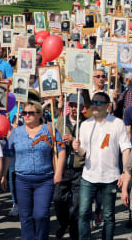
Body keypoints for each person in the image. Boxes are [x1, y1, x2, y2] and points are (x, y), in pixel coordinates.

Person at [1, 101, 66, 240]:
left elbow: (61, 150)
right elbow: (8, 153)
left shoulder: (49, 130)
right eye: (24, 113)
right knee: (25, 217)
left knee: (41, 215)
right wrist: (3, 175)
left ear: (39, 115)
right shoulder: (16, 132)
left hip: (45, 179)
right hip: (22, 180)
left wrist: (59, 172)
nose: (27, 115)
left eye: (31, 113)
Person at [72, 92, 131, 240]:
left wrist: (124, 172)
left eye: (99, 103)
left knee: (109, 216)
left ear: (107, 106)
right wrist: (76, 148)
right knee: (83, 213)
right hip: (89, 176)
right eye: (93, 102)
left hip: (110, 177)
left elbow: (125, 149)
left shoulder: (117, 123)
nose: (95, 105)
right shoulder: (85, 125)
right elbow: (82, 153)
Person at [54, 94, 86, 239]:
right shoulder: (61, 121)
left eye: (77, 105)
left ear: (82, 108)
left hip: (79, 169)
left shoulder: (86, 123)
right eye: (72, 105)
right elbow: (53, 142)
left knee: (77, 206)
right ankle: (63, 223)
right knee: (59, 200)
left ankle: (74, 232)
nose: (74, 108)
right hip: (63, 168)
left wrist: (74, 140)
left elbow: (89, 146)